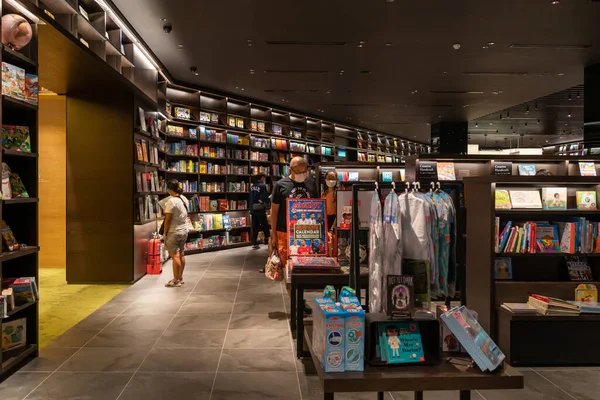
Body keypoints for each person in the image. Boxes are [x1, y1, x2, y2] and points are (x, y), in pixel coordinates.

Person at [270, 156, 318, 312]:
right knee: (288, 270)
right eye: (298, 171)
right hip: (285, 233)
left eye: (305, 171)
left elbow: (317, 207)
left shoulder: (311, 183)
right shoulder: (281, 185)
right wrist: (273, 234)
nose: (302, 174)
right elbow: (274, 211)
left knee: (303, 270)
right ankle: (296, 302)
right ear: (290, 170)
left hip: (307, 232)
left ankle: (300, 299)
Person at [162, 179, 189, 287]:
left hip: (174, 231)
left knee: (175, 256)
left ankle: (176, 280)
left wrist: (165, 233)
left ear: (169, 189)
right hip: (184, 230)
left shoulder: (171, 201)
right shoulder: (184, 198)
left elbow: (168, 219)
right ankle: (180, 278)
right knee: (181, 254)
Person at [249, 174, 270, 250]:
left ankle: (254, 243)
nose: (264, 179)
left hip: (253, 209)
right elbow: (264, 196)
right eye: (264, 178)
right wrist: (267, 200)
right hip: (260, 209)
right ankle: (267, 240)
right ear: (261, 178)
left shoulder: (252, 187)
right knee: (264, 225)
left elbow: (250, 197)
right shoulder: (262, 186)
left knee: (255, 226)